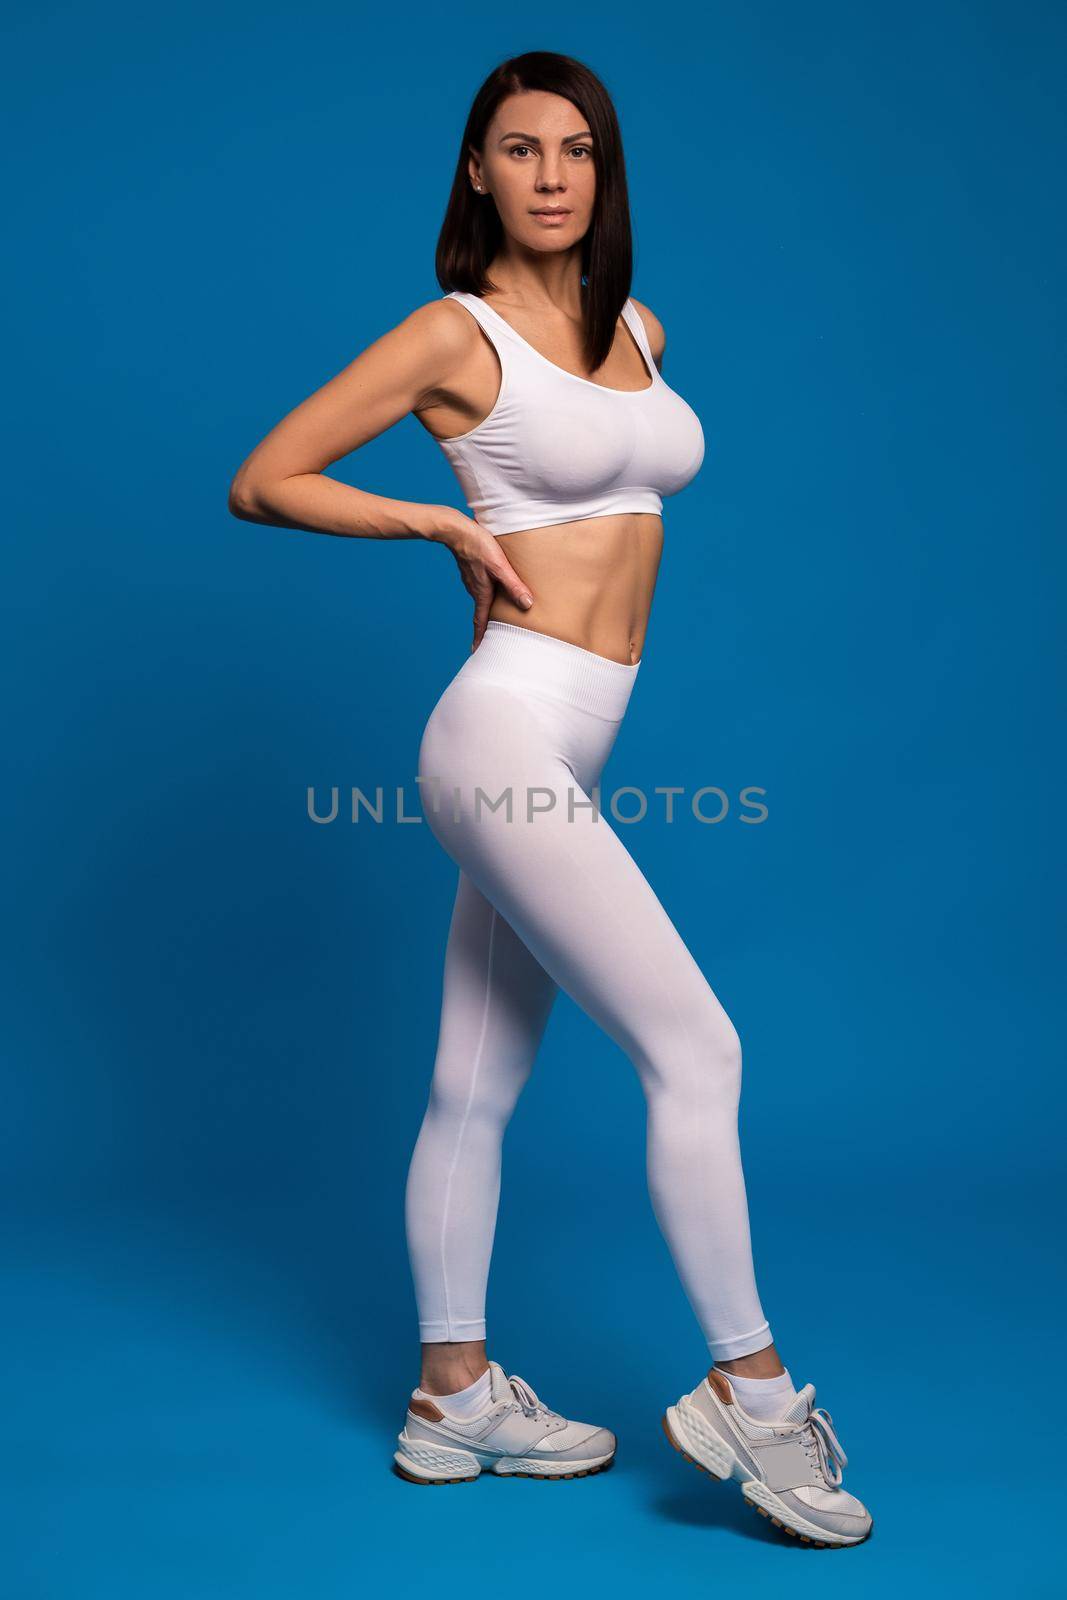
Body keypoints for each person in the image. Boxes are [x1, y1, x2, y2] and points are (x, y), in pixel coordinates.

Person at [228, 50, 872, 1548]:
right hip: (503, 734)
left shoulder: (635, 328)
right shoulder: (455, 335)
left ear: (603, 168)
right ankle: (754, 1398)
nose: (553, 174)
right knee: (697, 1048)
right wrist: (436, 522)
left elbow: (617, 475)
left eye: (576, 148)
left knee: (477, 1082)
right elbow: (266, 478)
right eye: (519, 150)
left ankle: (454, 1396)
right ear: (477, 173)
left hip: (570, 741)